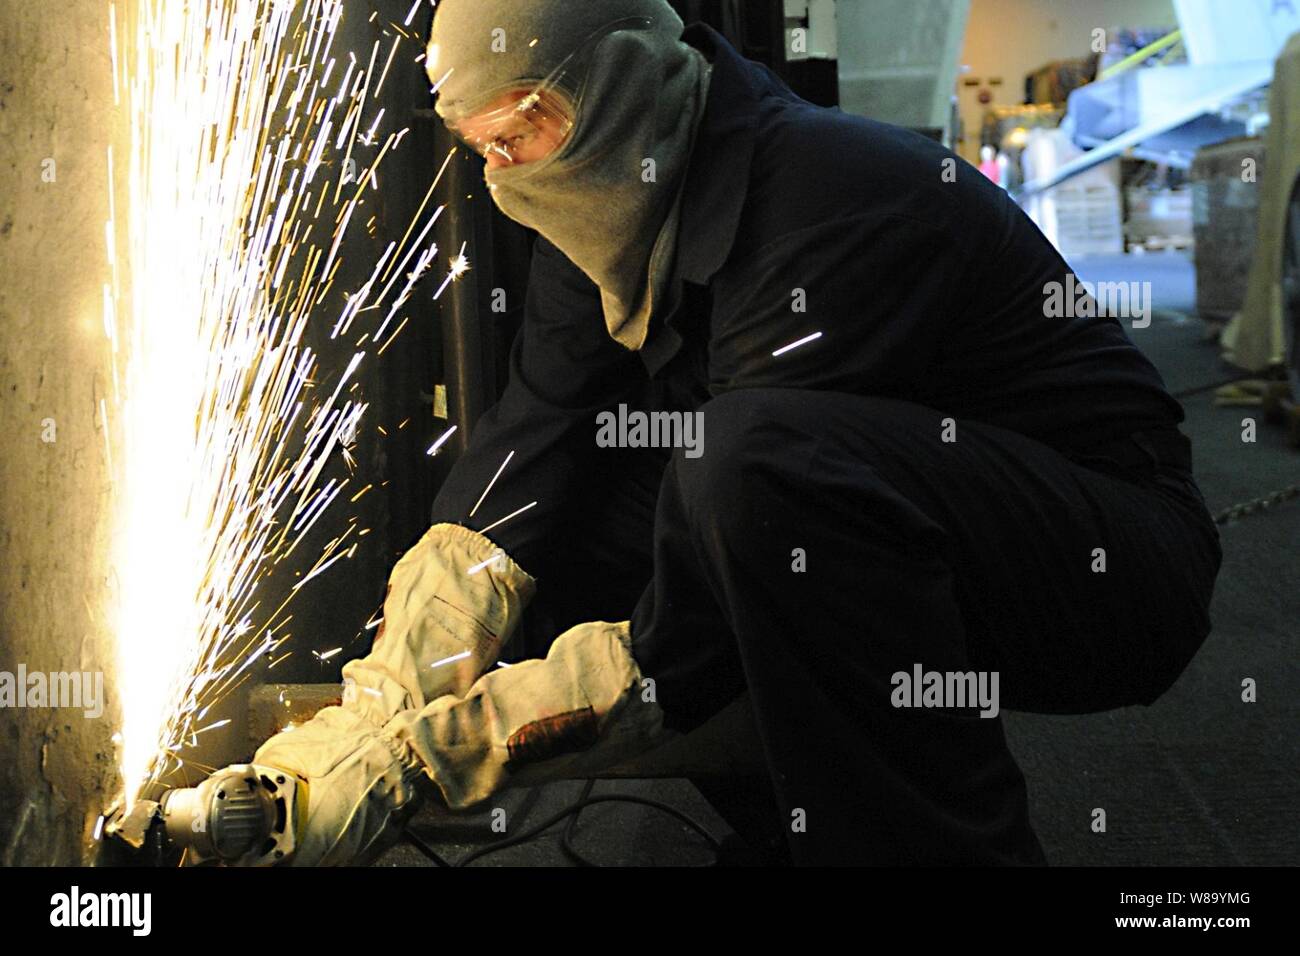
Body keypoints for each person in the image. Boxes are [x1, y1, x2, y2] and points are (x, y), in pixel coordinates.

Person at [252, 0, 1223, 866]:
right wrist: (379, 700)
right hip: (893, 516)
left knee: (742, 476)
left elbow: (718, 596)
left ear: (617, 87)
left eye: (522, 132)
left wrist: (420, 760)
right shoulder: (599, 204)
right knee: (586, 528)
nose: (505, 175)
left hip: (1105, 560)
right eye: (482, 148)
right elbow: (531, 449)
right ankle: (792, 819)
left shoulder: (829, 200)